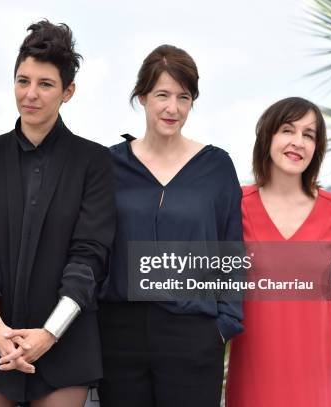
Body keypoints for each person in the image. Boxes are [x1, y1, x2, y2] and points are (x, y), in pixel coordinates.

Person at [0, 20, 115, 407]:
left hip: (65, 341)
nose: (31, 94)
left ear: (68, 91)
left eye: (45, 84)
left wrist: (49, 334)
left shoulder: (94, 161)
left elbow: (89, 256)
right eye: (23, 81)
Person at [98, 44, 244, 407]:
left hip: (193, 333)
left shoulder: (216, 167)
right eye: (162, 95)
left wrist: (222, 326)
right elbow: (91, 245)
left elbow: (232, 249)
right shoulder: (108, 166)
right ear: (142, 96)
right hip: (120, 332)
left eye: (184, 97)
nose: (172, 108)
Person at [225, 97, 331, 407]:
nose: (298, 142)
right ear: (268, 137)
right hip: (253, 368)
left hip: (315, 368)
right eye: (288, 130)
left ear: (317, 147)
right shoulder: (236, 204)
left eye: (309, 135)